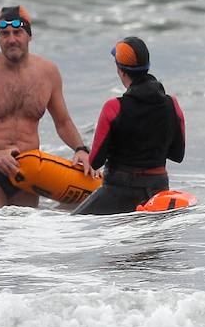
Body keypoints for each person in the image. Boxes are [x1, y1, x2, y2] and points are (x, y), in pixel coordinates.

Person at [0, 5, 94, 210]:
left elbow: (62, 122)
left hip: (28, 170)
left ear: (29, 36)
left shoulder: (48, 73)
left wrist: (80, 150)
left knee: (23, 235)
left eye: (17, 32)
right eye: (4, 34)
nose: (11, 39)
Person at [72, 36, 186, 215]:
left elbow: (95, 161)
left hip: (118, 192)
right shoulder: (172, 103)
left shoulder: (114, 107)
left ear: (120, 70)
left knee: (74, 226)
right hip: (158, 194)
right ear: (147, 66)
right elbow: (178, 154)